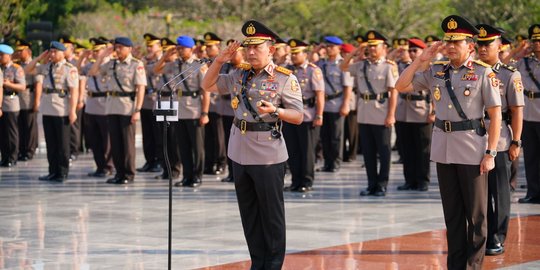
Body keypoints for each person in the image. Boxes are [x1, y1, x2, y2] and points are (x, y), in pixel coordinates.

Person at [395, 15, 502, 269]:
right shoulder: (435, 71)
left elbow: (495, 114)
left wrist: (491, 152)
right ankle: (455, 265)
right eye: (448, 41)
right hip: (443, 150)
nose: (451, 46)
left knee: (476, 216)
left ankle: (473, 265)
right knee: (452, 215)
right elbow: (401, 85)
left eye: (458, 42)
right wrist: (421, 60)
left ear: (470, 46)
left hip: (472, 150)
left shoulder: (483, 73)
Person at [201, 20, 303, 269]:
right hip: (239, 151)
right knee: (249, 214)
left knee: (272, 216)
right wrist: (218, 61)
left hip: (268, 154)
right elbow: (207, 85)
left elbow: (298, 116)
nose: (251, 52)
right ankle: (258, 262)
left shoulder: (283, 79)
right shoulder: (238, 74)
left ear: (271, 49)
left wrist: (276, 110)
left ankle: (273, 264)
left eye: (257, 47)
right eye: (248, 47)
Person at [475, 23, 525, 256]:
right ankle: (484, 234)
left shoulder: (509, 74)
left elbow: (516, 111)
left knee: (500, 192)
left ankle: (497, 236)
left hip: (502, 139)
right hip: (474, 139)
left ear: (500, 46)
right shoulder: (471, 71)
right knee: (480, 193)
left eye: (488, 44)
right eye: (480, 44)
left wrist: (516, 141)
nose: (482, 49)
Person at [341, 30, 398, 197]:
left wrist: (391, 114)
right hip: (364, 113)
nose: (371, 49)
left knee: (384, 151)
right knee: (368, 152)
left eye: (375, 46)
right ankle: (371, 184)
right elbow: (343, 66)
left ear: (384, 48)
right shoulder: (361, 64)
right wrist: (356, 51)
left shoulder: (389, 66)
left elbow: (393, 92)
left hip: (381, 112)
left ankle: (382, 184)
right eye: (369, 46)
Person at [89, 37, 146, 184]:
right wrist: (102, 56)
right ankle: (119, 173)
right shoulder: (111, 64)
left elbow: (140, 89)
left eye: (121, 47)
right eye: (116, 47)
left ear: (129, 48)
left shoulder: (136, 65)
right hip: (112, 106)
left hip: (127, 107)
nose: (118, 50)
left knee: (127, 143)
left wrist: (137, 110)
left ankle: (128, 173)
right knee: (115, 142)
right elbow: (93, 72)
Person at [154, 35, 209, 187]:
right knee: (182, 146)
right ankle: (187, 176)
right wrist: (165, 56)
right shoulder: (174, 64)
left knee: (197, 147)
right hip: (178, 110)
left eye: (182, 48)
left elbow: (205, 91)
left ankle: (197, 176)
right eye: (178, 48)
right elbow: (156, 70)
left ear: (191, 49)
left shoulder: (198, 65)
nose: (179, 50)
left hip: (194, 109)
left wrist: (205, 113)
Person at [26, 41, 79, 181]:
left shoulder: (70, 69)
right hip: (47, 108)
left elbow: (74, 92)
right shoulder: (46, 66)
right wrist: (39, 58)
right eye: (51, 51)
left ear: (63, 53)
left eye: (55, 52)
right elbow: (27, 70)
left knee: (62, 144)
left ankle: (62, 172)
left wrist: (72, 111)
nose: (52, 54)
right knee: (51, 143)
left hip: (62, 109)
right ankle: (52, 171)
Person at [283, 38, 325, 192]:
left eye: (297, 53)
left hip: (307, 114)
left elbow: (320, 95)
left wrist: (319, 115)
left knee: (306, 151)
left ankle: (306, 181)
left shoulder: (314, 70)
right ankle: (295, 181)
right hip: (289, 114)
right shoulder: (286, 70)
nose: (294, 56)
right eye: (292, 53)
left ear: (305, 54)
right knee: (292, 149)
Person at [395, 38, 433, 192]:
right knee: (406, 148)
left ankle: (423, 180)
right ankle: (409, 180)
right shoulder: (404, 66)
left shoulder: (428, 69)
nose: (411, 53)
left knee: (422, 149)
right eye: (409, 50)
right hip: (404, 109)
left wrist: (434, 110)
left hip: (421, 110)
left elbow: (434, 91)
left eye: (415, 51)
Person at [316, 36, 353, 172]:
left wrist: (345, 104)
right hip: (323, 104)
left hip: (336, 103)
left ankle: (336, 163)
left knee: (336, 136)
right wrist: (317, 49)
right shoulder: (322, 64)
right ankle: (327, 163)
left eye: (332, 46)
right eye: (327, 46)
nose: (328, 49)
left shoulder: (343, 64)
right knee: (324, 136)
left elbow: (347, 86)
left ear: (339, 48)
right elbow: (308, 61)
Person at [79, 38, 114, 178]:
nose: (95, 53)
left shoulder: (111, 64)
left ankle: (109, 165)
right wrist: (82, 57)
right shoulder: (90, 65)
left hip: (105, 102)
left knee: (107, 139)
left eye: (98, 50)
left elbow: (94, 72)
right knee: (94, 138)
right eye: (94, 51)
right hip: (91, 102)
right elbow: (78, 71)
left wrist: (102, 57)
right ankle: (100, 166)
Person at [515, 24, 540, 204]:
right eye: (534, 40)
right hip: (528, 115)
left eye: (539, 40)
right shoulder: (524, 63)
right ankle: (533, 192)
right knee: (530, 157)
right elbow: (502, 69)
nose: (537, 44)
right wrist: (520, 51)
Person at [218, 39, 247, 183]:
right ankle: (231, 172)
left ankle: (238, 173)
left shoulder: (246, 69)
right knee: (230, 142)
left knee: (240, 144)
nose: (231, 54)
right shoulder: (225, 67)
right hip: (226, 109)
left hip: (239, 113)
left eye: (234, 51)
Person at [137, 33, 164, 173]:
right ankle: (149, 160)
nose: (148, 49)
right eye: (147, 46)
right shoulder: (144, 60)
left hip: (159, 100)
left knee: (158, 133)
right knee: (147, 133)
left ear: (159, 46)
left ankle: (160, 161)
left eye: (151, 46)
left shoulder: (164, 60)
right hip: (146, 101)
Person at [202, 32, 227, 175]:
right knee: (208, 137)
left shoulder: (223, 63)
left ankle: (221, 163)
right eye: (206, 46)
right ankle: (209, 162)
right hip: (207, 105)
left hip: (218, 104)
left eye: (210, 47)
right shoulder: (204, 62)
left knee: (219, 136)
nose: (207, 49)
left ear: (218, 47)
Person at [0, 44, 26, 167]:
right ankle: (4, 156)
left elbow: (22, 86)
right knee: (2, 132)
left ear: (9, 56)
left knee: (11, 132)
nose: (0, 57)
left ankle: (12, 156)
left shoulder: (16, 69)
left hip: (11, 101)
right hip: (1, 102)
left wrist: (9, 84)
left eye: (2, 55)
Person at [13, 39, 39, 161]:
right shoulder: (16, 65)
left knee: (30, 125)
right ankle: (21, 150)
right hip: (17, 98)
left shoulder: (35, 66)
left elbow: (38, 84)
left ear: (28, 52)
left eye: (20, 51)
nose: (18, 53)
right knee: (20, 126)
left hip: (29, 97)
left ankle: (29, 150)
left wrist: (36, 102)